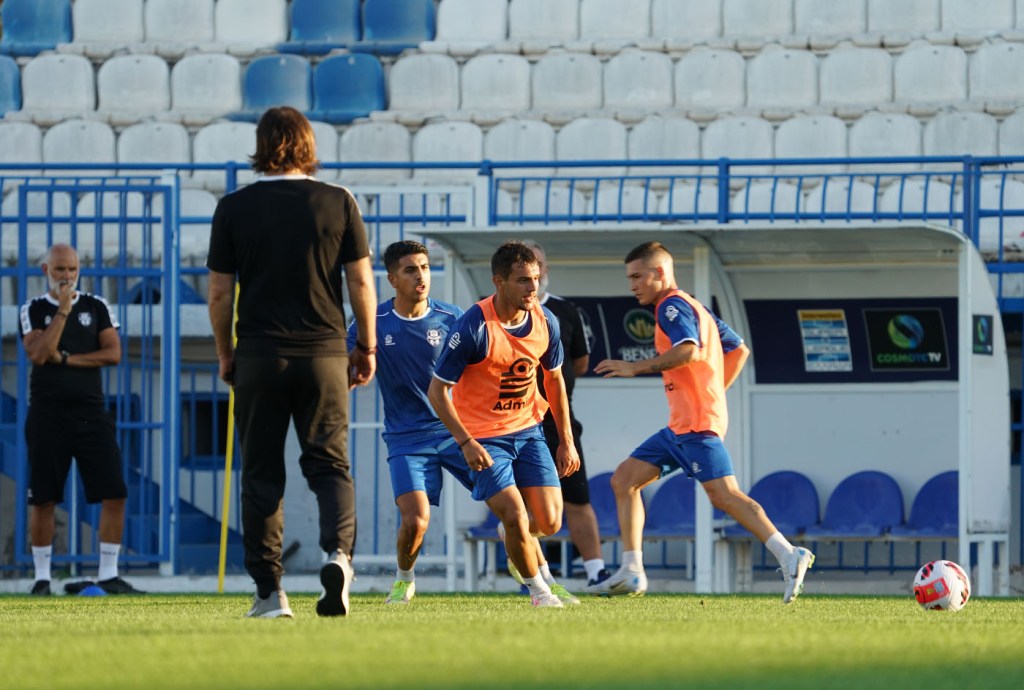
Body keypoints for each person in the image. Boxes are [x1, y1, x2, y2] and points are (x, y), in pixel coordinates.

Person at [207, 106, 377, 619]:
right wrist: (366, 347)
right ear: (308, 144)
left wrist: (225, 352)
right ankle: (339, 556)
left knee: (261, 473)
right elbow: (361, 281)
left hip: (259, 354)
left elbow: (219, 293)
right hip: (324, 352)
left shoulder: (233, 207)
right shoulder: (339, 200)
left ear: (262, 145)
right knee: (330, 465)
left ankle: (270, 592)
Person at [587, 241, 814, 603]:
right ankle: (631, 571)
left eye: (638, 276)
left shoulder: (671, 307)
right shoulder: (694, 306)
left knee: (725, 495)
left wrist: (636, 367)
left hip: (696, 425)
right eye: (630, 278)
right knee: (624, 479)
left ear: (660, 272)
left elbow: (688, 350)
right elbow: (738, 349)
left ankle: (789, 554)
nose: (632, 285)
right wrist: (712, 391)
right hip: (679, 426)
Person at [427, 240, 581, 608]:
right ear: (499, 281)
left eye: (536, 278)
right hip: (484, 438)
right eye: (523, 280)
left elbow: (555, 381)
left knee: (550, 522)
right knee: (514, 513)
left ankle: (512, 534)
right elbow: (437, 392)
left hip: (529, 432)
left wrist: (566, 440)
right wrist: (466, 442)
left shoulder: (546, 321)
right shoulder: (473, 326)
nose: (533, 288)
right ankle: (539, 592)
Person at [347, 240, 473, 605]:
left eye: (425, 268)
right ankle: (404, 579)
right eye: (410, 270)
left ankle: (539, 580)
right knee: (416, 521)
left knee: (511, 505)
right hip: (407, 438)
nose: (421, 276)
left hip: (456, 432)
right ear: (392, 279)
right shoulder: (373, 323)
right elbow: (343, 364)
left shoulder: (452, 317)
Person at [19, 244, 143, 596]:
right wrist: (62, 310)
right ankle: (42, 578)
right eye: (60, 269)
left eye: (72, 269)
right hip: (48, 414)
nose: (67, 276)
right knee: (43, 498)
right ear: (46, 270)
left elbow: (113, 353)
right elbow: (39, 353)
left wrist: (67, 359)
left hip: (91, 413)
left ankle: (108, 574)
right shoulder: (32, 309)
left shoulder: (97, 306)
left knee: (115, 491)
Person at [522, 240, 610, 589]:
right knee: (527, 503)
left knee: (577, 497)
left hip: (560, 422)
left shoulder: (564, 311)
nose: (534, 274)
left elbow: (579, 363)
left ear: (545, 269)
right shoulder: (496, 313)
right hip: (518, 422)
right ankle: (531, 573)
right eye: (525, 267)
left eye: (538, 265)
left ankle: (596, 571)